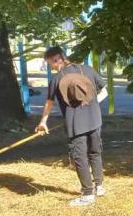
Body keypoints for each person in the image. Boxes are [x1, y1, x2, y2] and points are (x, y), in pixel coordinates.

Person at [36, 46, 108, 207]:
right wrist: (94, 104)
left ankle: (88, 194)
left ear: (57, 59)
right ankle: (99, 186)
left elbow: (49, 102)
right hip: (95, 119)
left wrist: (43, 122)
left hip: (75, 124)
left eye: (50, 64)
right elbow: (105, 91)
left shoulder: (56, 79)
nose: (51, 67)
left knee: (79, 156)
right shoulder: (87, 69)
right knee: (95, 152)